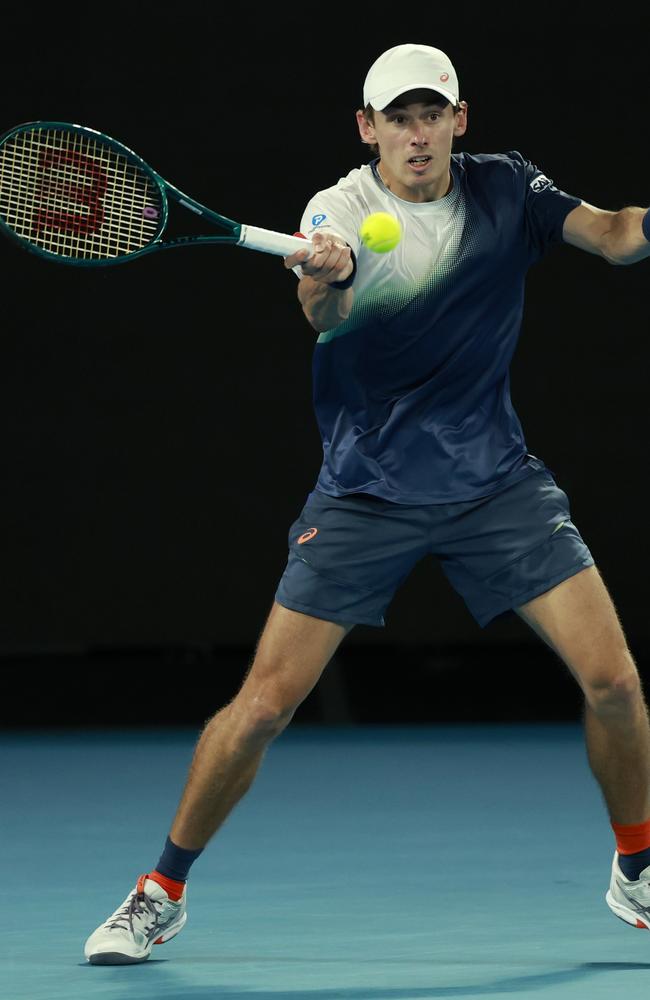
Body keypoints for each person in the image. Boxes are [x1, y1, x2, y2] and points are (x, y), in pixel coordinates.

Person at [84, 43, 650, 965]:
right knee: (262, 705)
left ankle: (638, 868)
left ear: (459, 121)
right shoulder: (337, 210)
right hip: (367, 491)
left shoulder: (508, 189)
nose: (416, 133)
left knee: (617, 683)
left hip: (495, 481)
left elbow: (616, 235)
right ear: (368, 128)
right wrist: (329, 272)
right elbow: (321, 311)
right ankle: (161, 889)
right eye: (397, 117)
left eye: (432, 114)